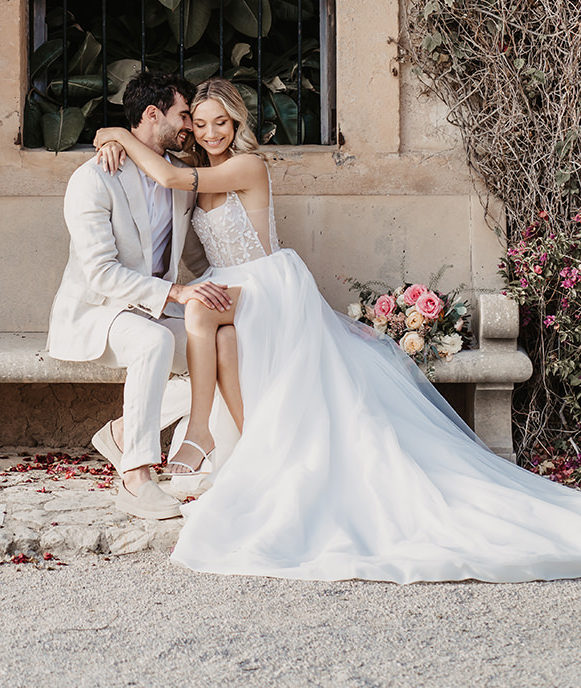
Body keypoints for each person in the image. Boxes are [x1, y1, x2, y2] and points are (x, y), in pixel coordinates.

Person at [93, 77, 581, 583]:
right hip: (229, 283)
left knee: (198, 312)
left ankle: (199, 432)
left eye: (221, 122)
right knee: (221, 336)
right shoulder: (195, 167)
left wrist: (117, 132)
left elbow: (169, 179)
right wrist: (116, 142)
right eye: (199, 123)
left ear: (237, 123)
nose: (211, 132)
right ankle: (255, 445)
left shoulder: (248, 166)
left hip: (266, 282)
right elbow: (170, 181)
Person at [47, 70, 233, 523]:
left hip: (153, 308)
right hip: (99, 312)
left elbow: (197, 258)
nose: (190, 126)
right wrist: (176, 291)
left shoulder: (178, 178)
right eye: (184, 115)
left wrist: (236, 296)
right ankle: (136, 476)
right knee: (155, 342)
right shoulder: (94, 178)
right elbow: (100, 273)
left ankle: (125, 433)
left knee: (225, 341)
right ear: (153, 114)